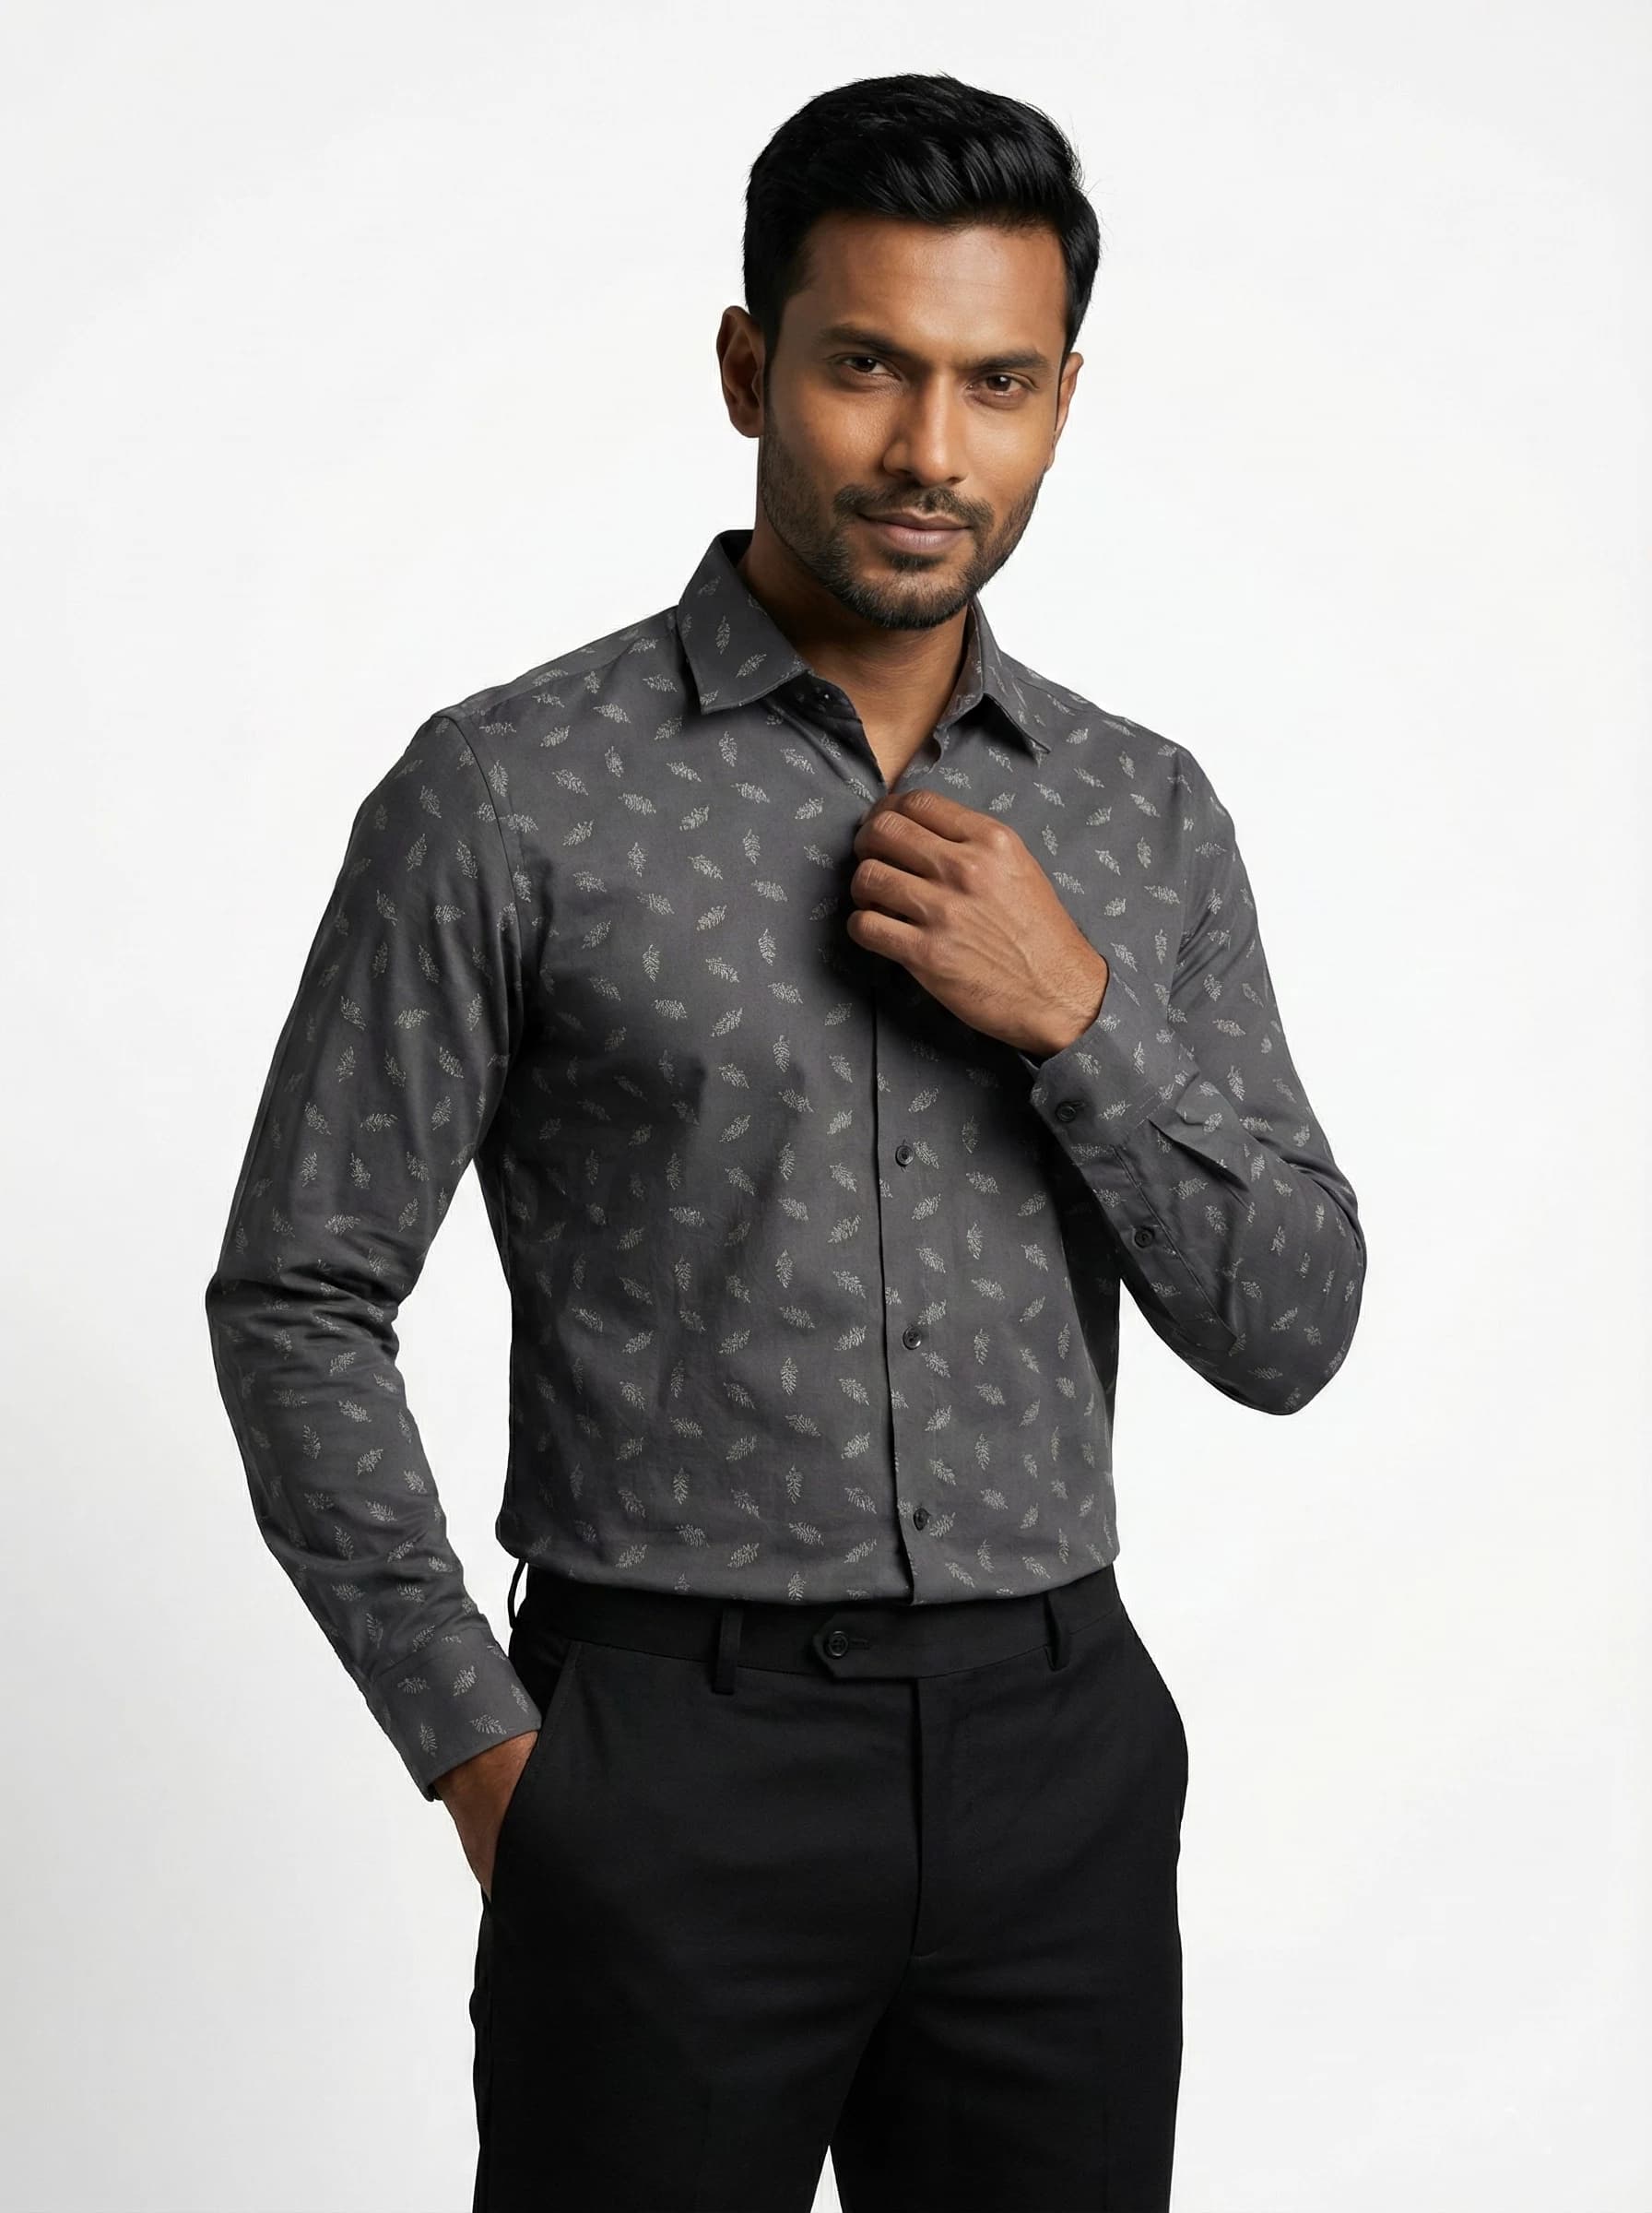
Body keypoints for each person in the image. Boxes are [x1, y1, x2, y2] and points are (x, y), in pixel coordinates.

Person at [205, 69, 1366, 2213]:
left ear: (1060, 403)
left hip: (1056, 1764)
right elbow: (299, 1293)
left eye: (995, 383)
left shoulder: (1137, 810)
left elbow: (1287, 1326)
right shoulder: (510, 792)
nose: (931, 449)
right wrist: (487, 1753)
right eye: (866, 368)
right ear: (749, 368)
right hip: (665, 1763)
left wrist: (1076, 1019)